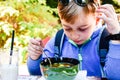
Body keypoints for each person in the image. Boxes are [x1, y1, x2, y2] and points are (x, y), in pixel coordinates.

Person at [27, 0, 120, 79]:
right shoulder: (58, 41)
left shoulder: (108, 41)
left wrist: (116, 37)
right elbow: (37, 74)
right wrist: (35, 58)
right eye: (67, 28)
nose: (75, 36)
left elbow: (116, 76)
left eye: (82, 29)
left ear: (97, 19)